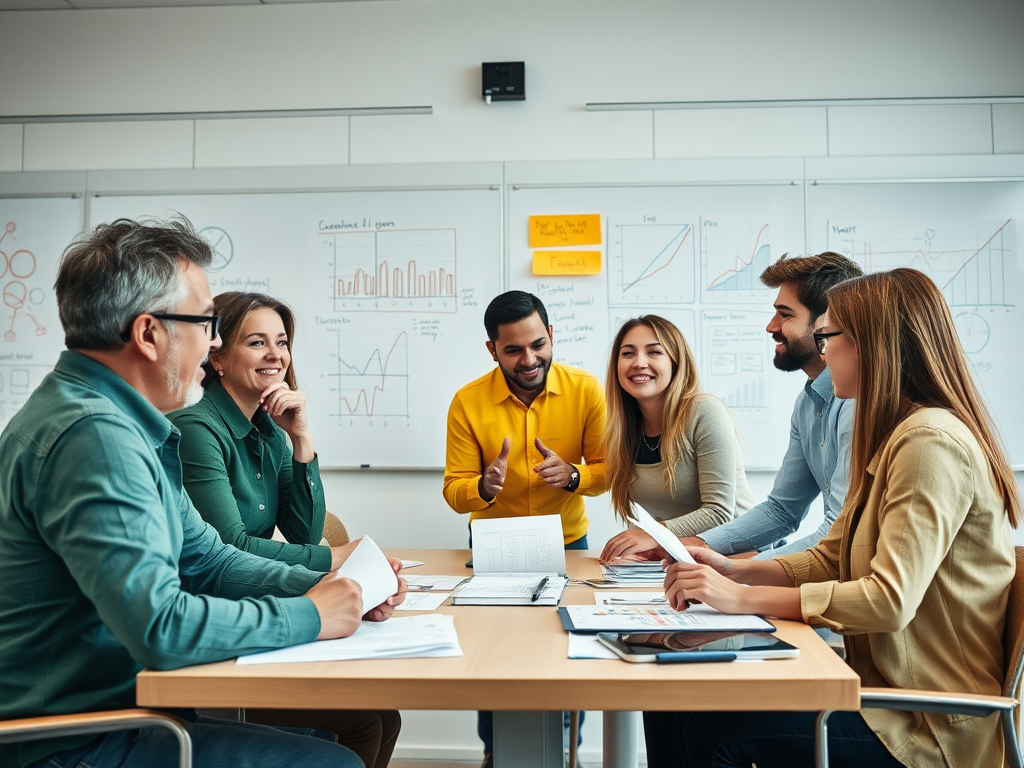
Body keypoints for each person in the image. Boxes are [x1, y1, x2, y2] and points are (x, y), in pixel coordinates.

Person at [0, 218, 405, 768]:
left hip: (123, 714)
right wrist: (313, 614)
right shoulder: (94, 437)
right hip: (76, 742)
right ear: (148, 334)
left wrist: (337, 586)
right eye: (206, 324)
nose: (214, 342)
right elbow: (160, 628)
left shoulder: (124, 424)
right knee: (332, 762)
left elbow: (208, 559)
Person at [653, 268, 1020, 768]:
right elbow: (833, 553)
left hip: (927, 726)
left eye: (827, 337)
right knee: (686, 705)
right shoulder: (896, 434)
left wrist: (741, 599)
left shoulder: (929, 442)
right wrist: (731, 568)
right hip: (882, 696)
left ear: (871, 344)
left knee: (714, 729)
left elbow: (888, 600)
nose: (822, 353)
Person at [169, 292, 401, 768]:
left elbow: (301, 533)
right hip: (219, 618)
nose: (276, 354)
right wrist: (332, 563)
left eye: (282, 341)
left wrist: (301, 439)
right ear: (216, 355)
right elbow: (228, 547)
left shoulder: (269, 431)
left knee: (385, 716)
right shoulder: (196, 429)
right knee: (366, 722)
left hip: (251, 599)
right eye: (257, 342)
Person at [442, 289, 608, 768]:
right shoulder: (468, 402)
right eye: (513, 349)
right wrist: (485, 487)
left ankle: (567, 753)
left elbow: (608, 471)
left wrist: (575, 475)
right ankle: (496, 752)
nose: (529, 358)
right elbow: (454, 491)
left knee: (567, 648)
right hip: (494, 546)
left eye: (537, 344)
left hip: (567, 543)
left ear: (552, 335)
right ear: (492, 349)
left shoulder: (586, 390)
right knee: (493, 657)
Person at [675, 252, 864, 560]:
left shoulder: (857, 404)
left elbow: (837, 531)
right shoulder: (807, 404)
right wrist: (702, 545)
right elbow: (783, 510)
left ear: (828, 322)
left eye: (785, 315)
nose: (771, 326)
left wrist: (737, 570)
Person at [598, 315, 755, 562]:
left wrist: (653, 535)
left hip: (736, 559)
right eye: (628, 353)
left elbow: (719, 512)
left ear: (676, 362)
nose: (639, 362)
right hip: (677, 559)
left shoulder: (703, 410)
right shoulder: (622, 429)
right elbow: (650, 517)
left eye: (654, 352)